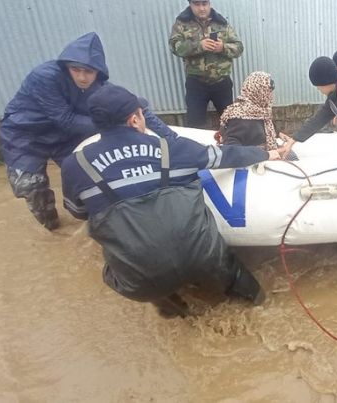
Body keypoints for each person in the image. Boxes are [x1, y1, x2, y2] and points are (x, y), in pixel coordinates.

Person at [61, 84, 279, 318]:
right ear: (135, 120)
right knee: (227, 267)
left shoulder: (75, 166)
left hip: (140, 281)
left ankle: (175, 311)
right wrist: (267, 154)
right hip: (203, 259)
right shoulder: (172, 148)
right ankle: (259, 304)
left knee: (112, 267)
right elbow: (228, 155)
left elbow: (80, 213)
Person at [0, 32, 176, 231]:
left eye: (89, 72)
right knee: (31, 187)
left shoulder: (101, 87)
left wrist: (172, 140)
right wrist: (118, 123)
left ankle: (96, 225)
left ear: (98, 72)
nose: (82, 77)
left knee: (89, 177)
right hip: (25, 135)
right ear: (67, 66)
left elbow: (139, 110)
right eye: (76, 70)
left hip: (65, 138)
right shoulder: (44, 77)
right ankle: (52, 228)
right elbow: (66, 120)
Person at [169, 0, 244, 129]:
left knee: (230, 122)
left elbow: (239, 48)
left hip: (221, 83)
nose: (202, 8)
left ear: (209, 3)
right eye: (197, 4)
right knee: (195, 125)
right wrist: (199, 46)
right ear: (190, 4)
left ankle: (230, 149)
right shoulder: (182, 24)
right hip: (196, 83)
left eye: (205, 3)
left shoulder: (221, 23)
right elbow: (174, 47)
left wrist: (223, 47)